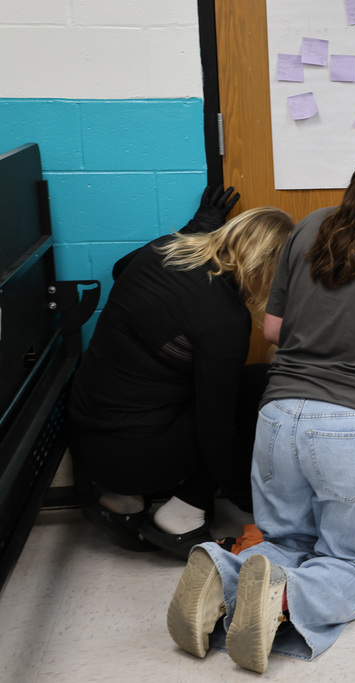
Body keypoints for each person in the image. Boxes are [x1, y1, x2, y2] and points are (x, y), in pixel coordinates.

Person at [166, 126, 355, 674]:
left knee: (287, 541)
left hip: (278, 419)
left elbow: (273, 327)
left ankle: (220, 571)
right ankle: (281, 601)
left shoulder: (311, 226)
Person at [69, 197, 294, 558]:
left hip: (85, 440)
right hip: (130, 457)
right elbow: (216, 432)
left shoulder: (163, 250)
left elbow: (119, 268)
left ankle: (122, 502)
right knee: (266, 385)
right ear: (266, 267)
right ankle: (180, 518)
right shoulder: (224, 319)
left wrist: (199, 224)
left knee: (220, 390)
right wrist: (250, 504)